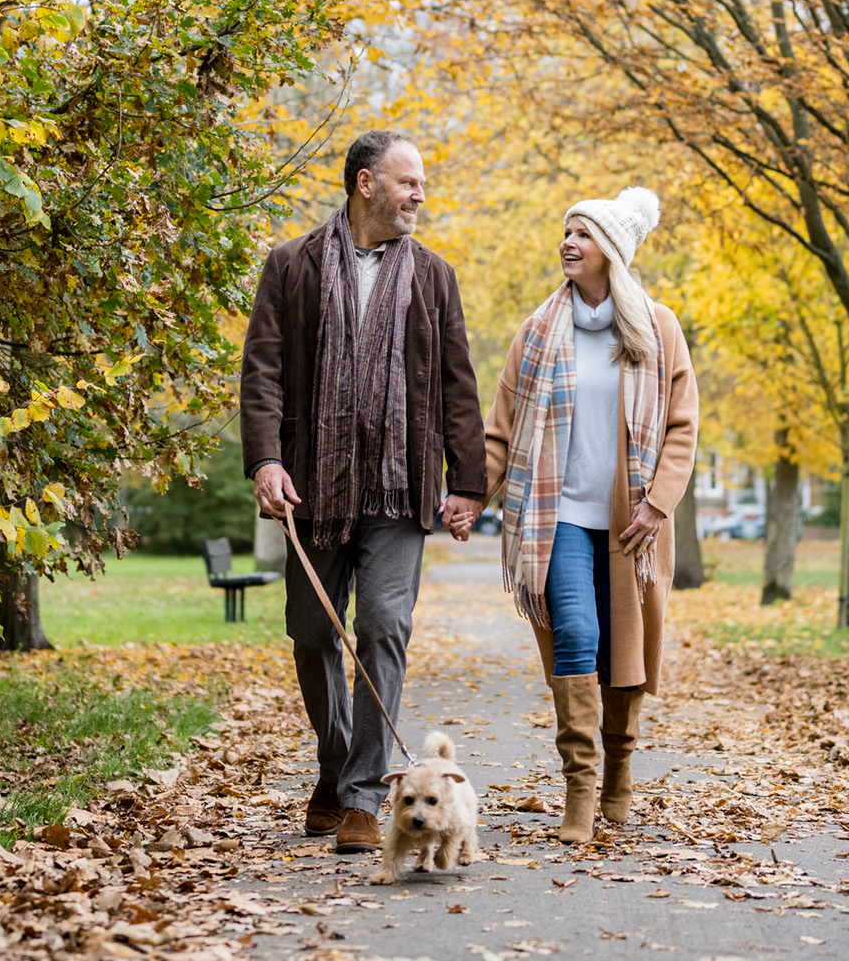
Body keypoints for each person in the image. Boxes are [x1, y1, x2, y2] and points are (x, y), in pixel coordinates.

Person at [241, 131, 488, 854]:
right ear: (364, 183)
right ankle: (338, 765)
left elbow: (456, 386)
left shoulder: (435, 277)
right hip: (310, 489)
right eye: (408, 182)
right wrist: (265, 460)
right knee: (313, 632)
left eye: (423, 185)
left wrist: (467, 484)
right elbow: (263, 371)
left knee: (383, 625)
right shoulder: (291, 267)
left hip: (398, 488)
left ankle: (357, 797)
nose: (420, 195)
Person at [483, 188, 699, 844]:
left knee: (624, 656)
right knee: (576, 634)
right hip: (558, 519)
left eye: (582, 233)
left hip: (633, 522)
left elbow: (681, 426)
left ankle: (620, 774)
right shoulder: (538, 331)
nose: (568, 243)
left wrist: (659, 503)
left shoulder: (657, 328)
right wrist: (468, 495)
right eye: (565, 231)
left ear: (612, 251)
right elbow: (502, 430)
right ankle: (580, 787)